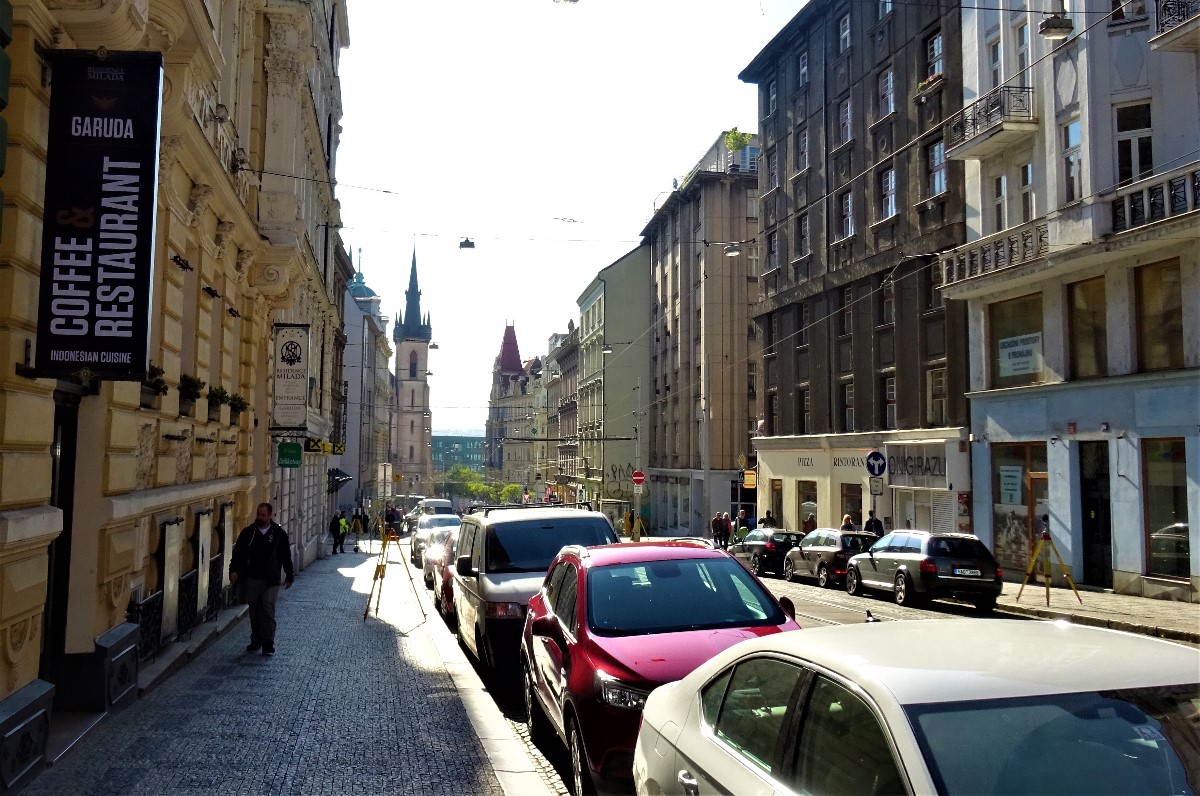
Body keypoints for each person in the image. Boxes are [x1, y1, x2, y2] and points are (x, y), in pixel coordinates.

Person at [230, 502, 294, 656]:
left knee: (267, 609)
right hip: (253, 578)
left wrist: (289, 575)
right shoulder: (248, 533)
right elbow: (238, 553)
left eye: (263, 515)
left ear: (269, 515)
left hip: (272, 579)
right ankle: (256, 639)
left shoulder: (279, 534)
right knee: (254, 610)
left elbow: (286, 556)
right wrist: (233, 570)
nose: (259, 517)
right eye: (258, 514)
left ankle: (268, 642)